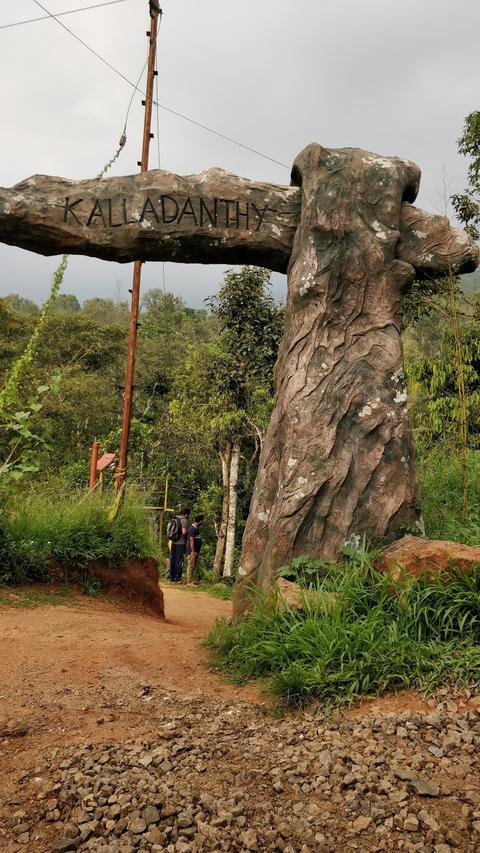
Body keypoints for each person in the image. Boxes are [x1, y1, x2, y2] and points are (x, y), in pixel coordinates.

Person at [167, 508, 189, 583]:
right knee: (179, 560)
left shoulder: (175, 519)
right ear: (186, 514)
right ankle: (178, 578)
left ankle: (172, 577)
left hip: (173, 542)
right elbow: (184, 532)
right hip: (180, 543)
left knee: (172, 559)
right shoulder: (184, 520)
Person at [186, 514, 204, 584]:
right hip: (192, 551)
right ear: (200, 521)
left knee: (193, 566)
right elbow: (191, 540)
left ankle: (192, 580)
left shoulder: (196, 528)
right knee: (190, 566)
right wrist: (192, 551)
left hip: (196, 551)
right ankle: (189, 581)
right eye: (201, 521)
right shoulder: (192, 529)